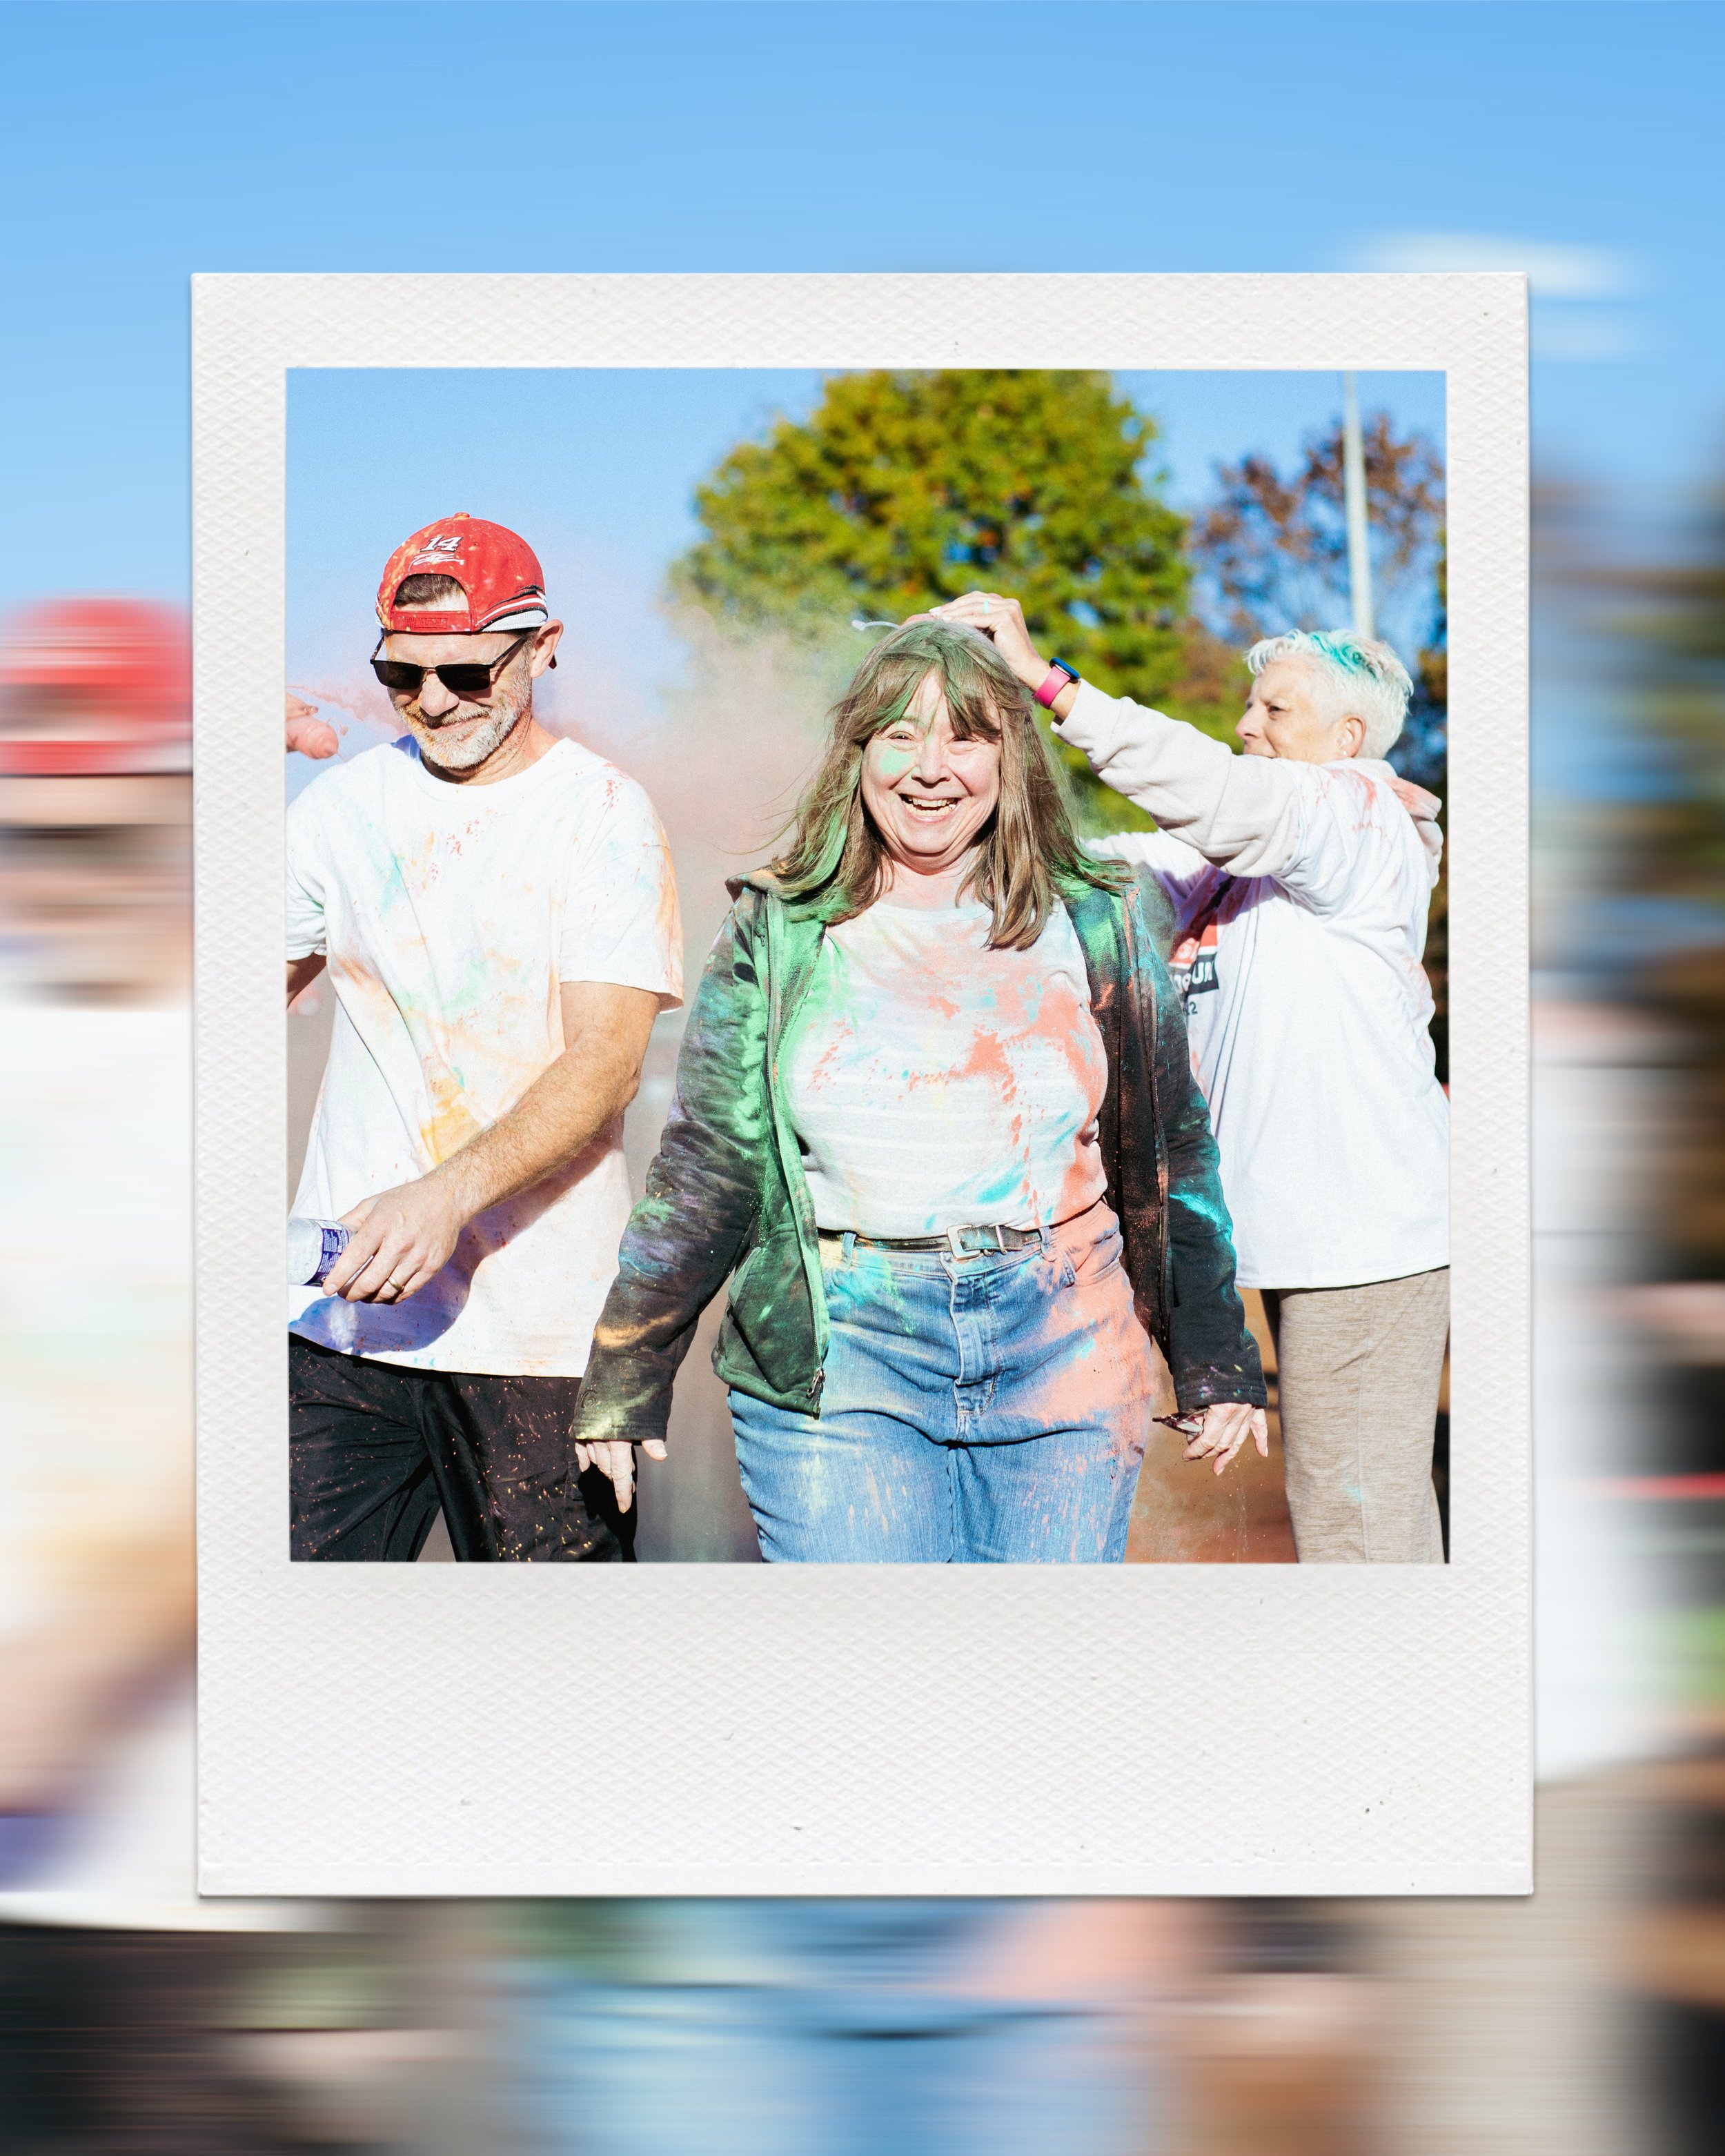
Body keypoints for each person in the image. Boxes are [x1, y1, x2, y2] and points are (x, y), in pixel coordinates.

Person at [572, 618, 1265, 1564]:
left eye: (966, 736)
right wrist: (626, 1367)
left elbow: (1171, 1143)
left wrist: (1214, 1350)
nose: (931, 767)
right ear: (857, 752)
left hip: (1063, 1338)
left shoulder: (1098, 913)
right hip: (842, 1352)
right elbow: (708, 1166)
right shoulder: (779, 930)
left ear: (1010, 758)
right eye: (900, 733)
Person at [935, 591, 1449, 1565]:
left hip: (1370, 1239)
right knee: (1345, 1521)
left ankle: (1404, 1711)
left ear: (1348, 735)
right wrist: (943, 804)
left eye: (1275, 712)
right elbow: (1088, 872)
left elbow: (1214, 791)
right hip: (1299, 1236)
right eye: (1249, 707)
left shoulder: (1359, 812)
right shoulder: (1236, 859)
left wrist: (1050, 683)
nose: (1246, 724)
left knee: (1359, 1528)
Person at [286, 514, 682, 1562]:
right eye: (401, 676)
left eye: (465, 672)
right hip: (340, 1328)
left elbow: (605, 1059)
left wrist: (443, 1197)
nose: (432, 704)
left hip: (541, 1342)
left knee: (557, 1694)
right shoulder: (336, 811)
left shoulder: (602, 815)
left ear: (542, 648)